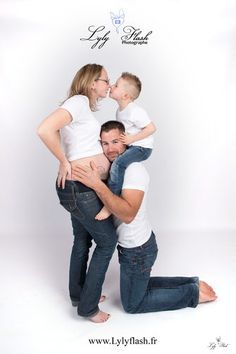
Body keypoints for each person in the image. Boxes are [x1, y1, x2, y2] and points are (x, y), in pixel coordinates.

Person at [72, 121, 217, 314]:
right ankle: (192, 282)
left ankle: (192, 293)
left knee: (133, 304)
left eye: (115, 141)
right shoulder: (115, 168)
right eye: (105, 144)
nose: (110, 149)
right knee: (139, 285)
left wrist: (97, 185)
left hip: (138, 250)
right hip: (132, 249)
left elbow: (128, 215)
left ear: (126, 141)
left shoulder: (134, 171)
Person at [37, 64, 118, 323]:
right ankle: (88, 308)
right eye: (106, 80)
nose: (109, 84)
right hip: (81, 190)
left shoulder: (81, 107)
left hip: (78, 188)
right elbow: (45, 129)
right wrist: (63, 160)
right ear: (92, 82)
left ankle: (79, 294)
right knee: (107, 242)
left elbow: (68, 137)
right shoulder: (79, 101)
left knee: (82, 240)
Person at [95, 72, 156, 220]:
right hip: (132, 145)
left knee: (118, 165)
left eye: (115, 85)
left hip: (141, 148)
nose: (111, 86)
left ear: (126, 96)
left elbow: (151, 128)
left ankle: (110, 205)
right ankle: (106, 194)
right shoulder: (120, 111)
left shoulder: (135, 111)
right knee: (109, 164)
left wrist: (131, 139)